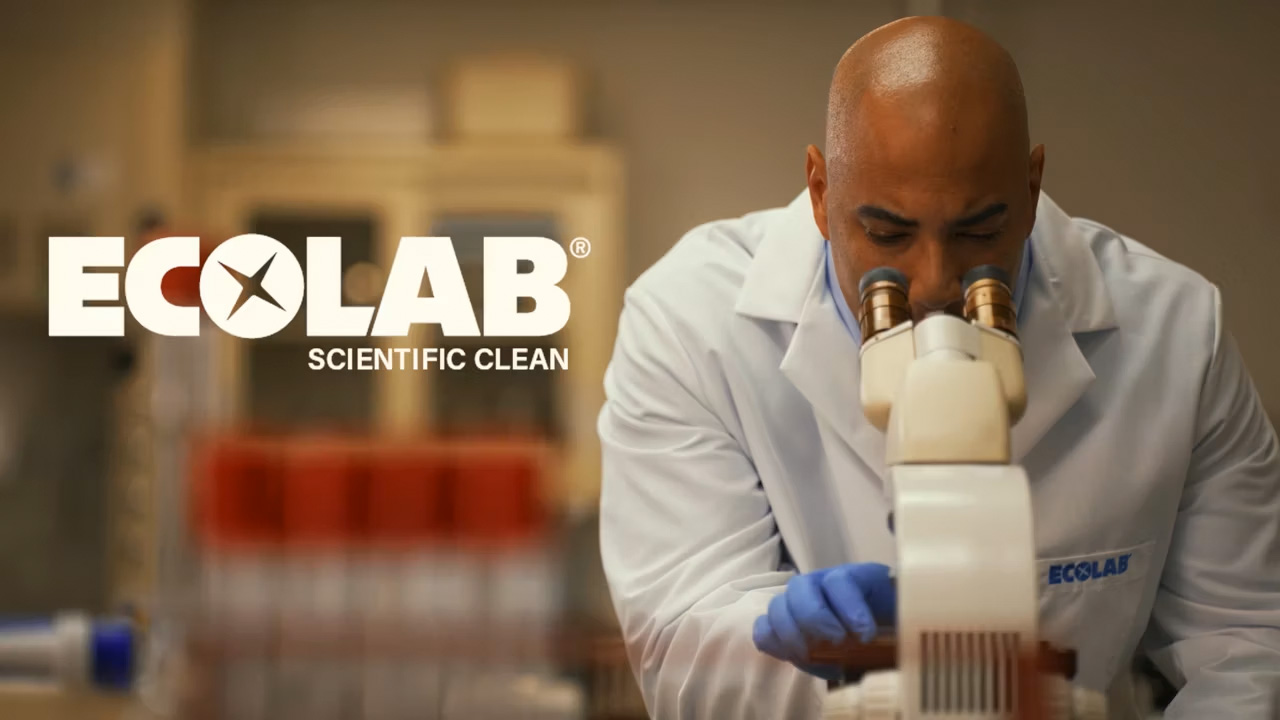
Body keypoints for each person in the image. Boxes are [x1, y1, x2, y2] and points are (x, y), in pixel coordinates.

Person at [596, 14, 1280, 720]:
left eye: (978, 231)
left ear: (1033, 188)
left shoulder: (1176, 333)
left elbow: (1249, 642)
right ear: (821, 193)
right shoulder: (691, 321)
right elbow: (682, 647)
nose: (933, 283)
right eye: (887, 233)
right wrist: (799, 651)